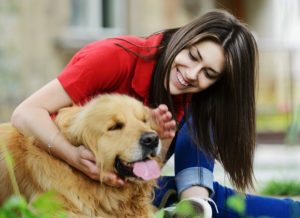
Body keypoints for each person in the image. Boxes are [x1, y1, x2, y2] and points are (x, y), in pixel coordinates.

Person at [10, 9, 300, 218]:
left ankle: (199, 203)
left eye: (208, 73)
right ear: (184, 38)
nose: (191, 74)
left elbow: (147, 173)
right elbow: (25, 112)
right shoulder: (114, 56)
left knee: (208, 187)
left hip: (122, 183)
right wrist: (73, 156)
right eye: (193, 56)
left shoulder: (190, 93)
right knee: (210, 198)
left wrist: (159, 145)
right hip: (71, 173)